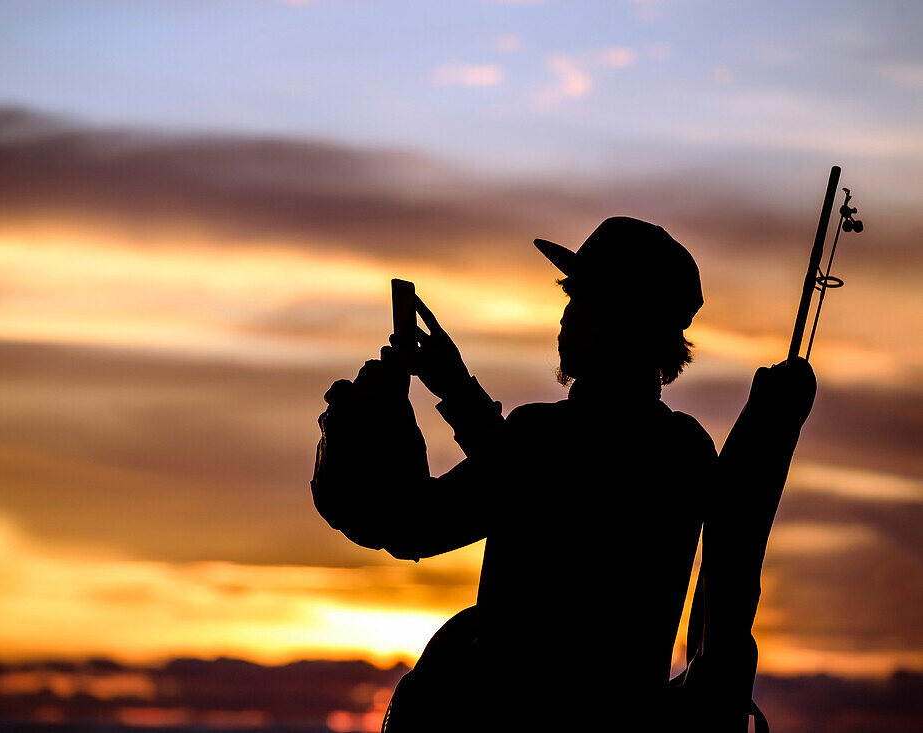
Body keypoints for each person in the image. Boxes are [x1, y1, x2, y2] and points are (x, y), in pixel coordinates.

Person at [311, 217, 817, 732]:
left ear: (614, 319)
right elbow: (551, 491)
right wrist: (457, 386)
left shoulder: (541, 441)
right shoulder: (684, 450)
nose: (564, 319)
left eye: (577, 301)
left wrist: (365, 417)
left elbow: (411, 525)